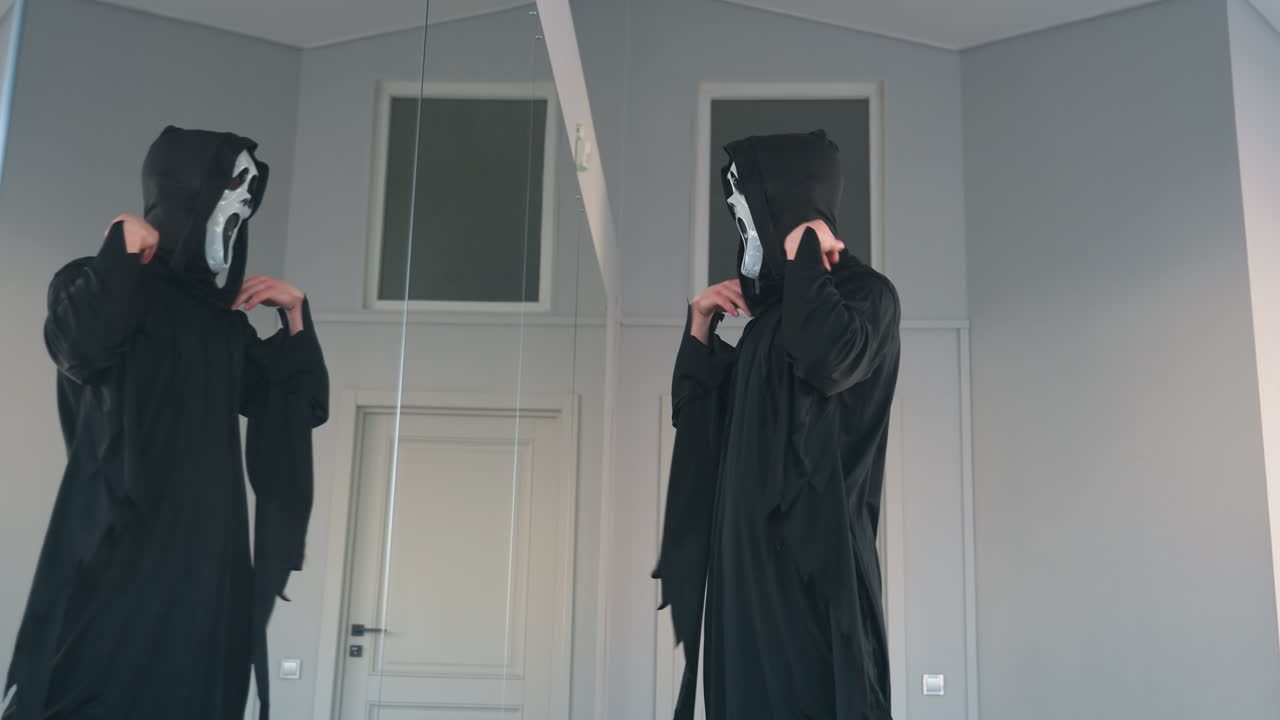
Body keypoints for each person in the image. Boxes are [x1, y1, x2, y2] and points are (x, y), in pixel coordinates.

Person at [2, 127, 328, 720]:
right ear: (184, 191)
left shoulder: (221, 325)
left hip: (209, 551)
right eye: (231, 185)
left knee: (196, 685)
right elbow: (81, 347)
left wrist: (296, 316)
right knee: (94, 678)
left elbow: (295, 404)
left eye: (250, 195)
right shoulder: (94, 282)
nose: (240, 205)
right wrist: (120, 248)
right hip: (123, 530)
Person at [654, 130, 901, 720]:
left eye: (751, 213)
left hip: (812, 576)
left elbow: (829, 359)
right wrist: (699, 326)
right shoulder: (767, 328)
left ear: (788, 206)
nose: (744, 230)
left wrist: (806, 249)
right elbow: (699, 422)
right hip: (743, 580)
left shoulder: (867, 296)